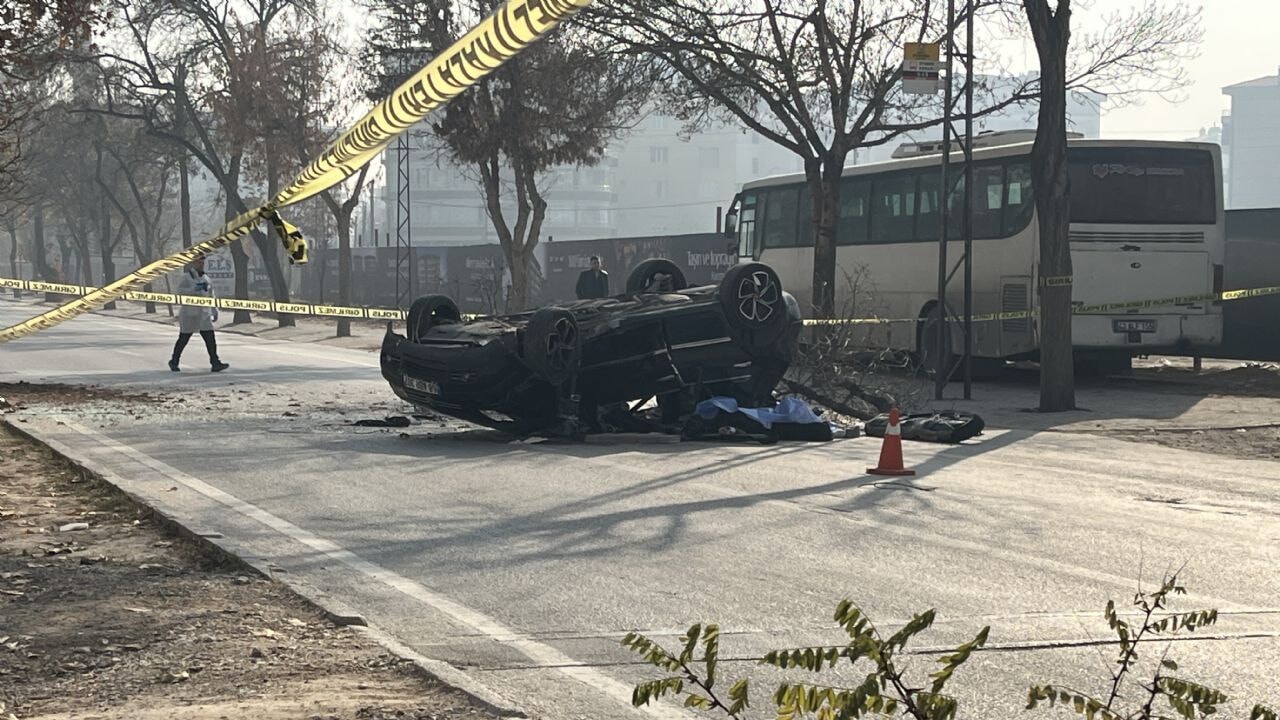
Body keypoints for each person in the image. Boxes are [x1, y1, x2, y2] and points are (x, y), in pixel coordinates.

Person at [169, 257, 229, 373]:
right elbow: (179, 292)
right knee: (184, 338)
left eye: (202, 262)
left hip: (204, 313)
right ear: (193, 263)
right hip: (189, 313)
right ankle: (174, 361)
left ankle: (215, 362)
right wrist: (194, 290)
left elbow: (211, 295)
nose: (201, 264)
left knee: (210, 338)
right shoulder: (186, 278)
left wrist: (214, 309)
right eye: (198, 262)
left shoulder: (206, 278)